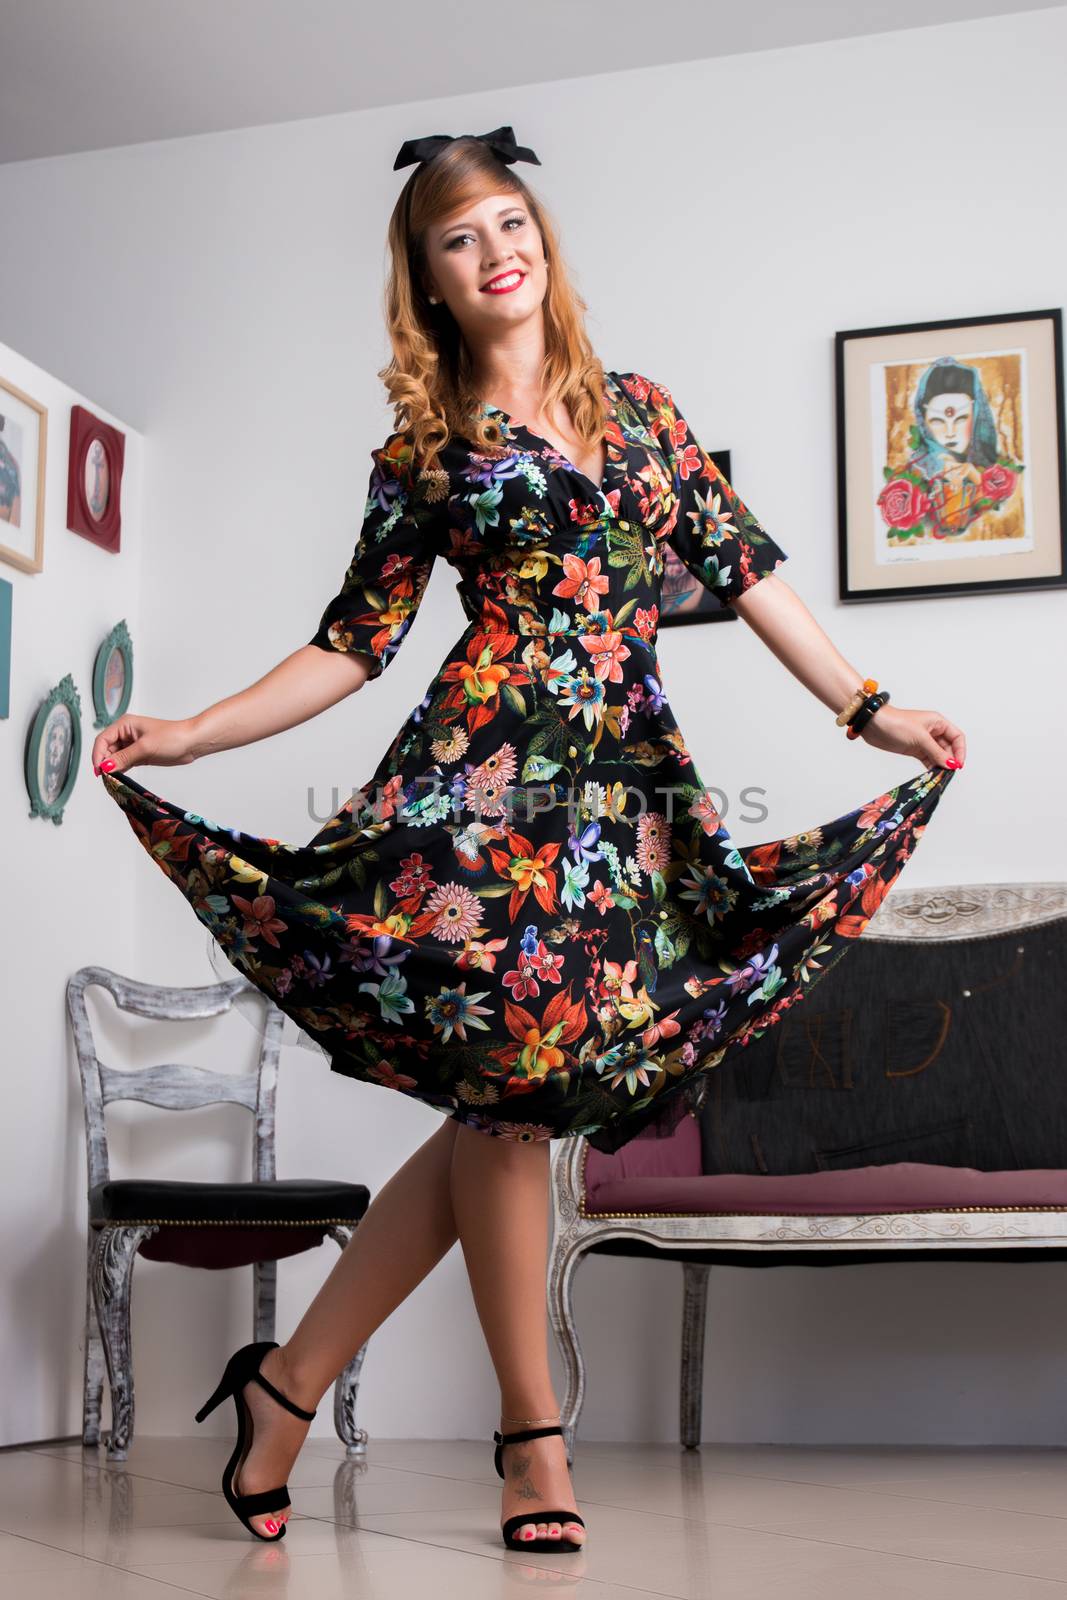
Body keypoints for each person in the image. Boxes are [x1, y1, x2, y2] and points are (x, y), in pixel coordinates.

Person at [91, 125, 966, 1556]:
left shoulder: (641, 413)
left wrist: (869, 710)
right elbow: (349, 647)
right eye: (459, 237)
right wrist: (191, 732)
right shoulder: (426, 448)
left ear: (541, 243)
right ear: (427, 279)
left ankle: (286, 1386)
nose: (497, 250)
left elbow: (750, 576)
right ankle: (531, 1435)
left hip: (620, 796)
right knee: (511, 1090)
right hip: (481, 787)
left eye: (512, 222)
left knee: (514, 1094)